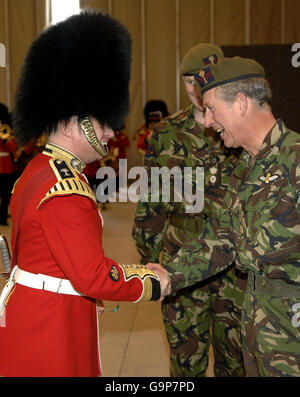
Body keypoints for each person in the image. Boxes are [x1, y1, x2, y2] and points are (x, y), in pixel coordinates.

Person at [0, 11, 165, 377]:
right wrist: (151, 282)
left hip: (39, 307)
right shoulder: (67, 189)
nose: (110, 132)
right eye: (103, 122)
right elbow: (91, 275)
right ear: (75, 121)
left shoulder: (37, 168)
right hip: (51, 327)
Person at [150, 56, 300, 377]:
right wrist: (169, 275)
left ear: (241, 104)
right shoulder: (246, 167)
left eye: (212, 109)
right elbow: (223, 239)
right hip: (257, 333)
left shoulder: (296, 161)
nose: (207, 122)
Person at [133, 44, 246, 377]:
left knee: (236, 362)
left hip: (233, 268)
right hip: (181, 263)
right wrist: (150, 264)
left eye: (204, 79)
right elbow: (149, 205)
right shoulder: (166, 134)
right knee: (185, 364)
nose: (196, 89)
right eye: (188, 81)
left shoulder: (241, 131)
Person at [0, 104, 16, 225]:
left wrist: (5, 140)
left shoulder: (5, 131)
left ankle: (3, 217)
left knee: (6, 195)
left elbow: (13, 149)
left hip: (5, 168)